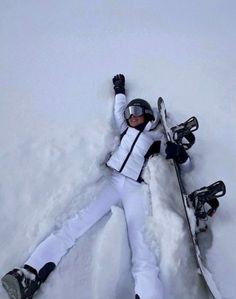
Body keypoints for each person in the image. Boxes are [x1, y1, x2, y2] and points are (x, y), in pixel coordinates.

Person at [1, 74, 190, 299]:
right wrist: (119, 90)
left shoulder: (156, 140)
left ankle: (149, 294)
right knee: (76, 223)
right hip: (113, 182)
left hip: (135, 190)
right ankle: (29, 274)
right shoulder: (125, 129)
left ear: (147, 114)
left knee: (141, 246)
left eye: (136, 112)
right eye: (130, 114)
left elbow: (185, 168)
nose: (131, 117)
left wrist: (180, 155)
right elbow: (118, 111)